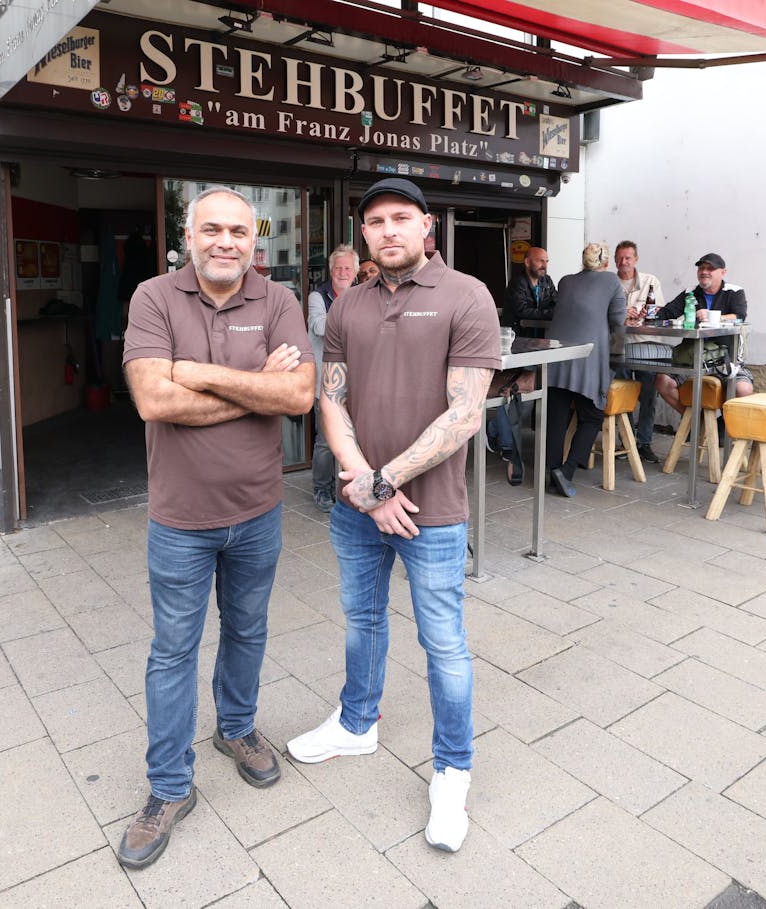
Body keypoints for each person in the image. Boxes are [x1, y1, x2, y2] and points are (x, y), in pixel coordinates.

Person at [287, 177, 499, 854]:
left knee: (444, 644)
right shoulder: (348, 304)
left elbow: (464, 412)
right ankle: (357, 724)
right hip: (360, 503)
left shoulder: (467, 296)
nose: (387, 229)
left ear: (426, 226)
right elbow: (332, 399)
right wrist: (363, 482)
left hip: (430, 510)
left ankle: (452, 770)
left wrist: (385, 480)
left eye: (400, 217)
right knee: (363, 621)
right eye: (375, 220)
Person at [118, 187, 315, 870]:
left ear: (254, 241)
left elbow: (296, 396)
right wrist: (252, 382)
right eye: (213, 229)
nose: (226, 241)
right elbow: (152, 398)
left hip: (258, 511)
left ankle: (236, 728)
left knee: (249, 629)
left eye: (239, 230)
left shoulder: (278, 301)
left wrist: (199, 375)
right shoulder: (153, 298)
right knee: (172, 650)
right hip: (180, 518)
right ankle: (169, 788)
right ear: (188, 235)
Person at [542, 242, 625, 497]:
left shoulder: (566, 281)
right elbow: (619, 324)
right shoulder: (612, 282)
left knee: (556, 417)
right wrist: (616, 361)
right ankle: (565, 472)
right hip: (587, 358)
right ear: (606, 263)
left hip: (555, 356)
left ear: (583, 261)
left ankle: (551, 472)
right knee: (592, 416)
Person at [654, 253, 753, 411]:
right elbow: (667, 312)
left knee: (743, 390)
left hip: (726, 358)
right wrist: (648, 313)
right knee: (662, 381)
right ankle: (696, 423)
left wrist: (714, 316)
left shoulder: (734, 291)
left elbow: (739, 316)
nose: (704, 271)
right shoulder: (690, 292)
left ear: (723, 272)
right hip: (693, 357)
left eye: (710, 268)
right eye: (701, 268)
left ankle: (722, 429)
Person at [308, 245, 359, 512]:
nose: (342, 272)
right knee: (326, 441)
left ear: (355, 272)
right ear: (331, 270)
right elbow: (319, 326)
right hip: (327, 382)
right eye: (338, 268)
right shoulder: (318, 296)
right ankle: (322, 489)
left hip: (359, 382)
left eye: (347, 268)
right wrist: (355, 321)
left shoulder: (365, 296)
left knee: (358, 437)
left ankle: (351, 486)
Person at [613, 241, 667, 463]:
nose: (623, 262)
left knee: (648, 396)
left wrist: (646, 312)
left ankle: (644, 443)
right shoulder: (609, 283)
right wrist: (622, 313)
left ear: (636, 259)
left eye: (628, 258)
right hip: (620, 345)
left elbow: (660, 311)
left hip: (646, 343)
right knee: (623, 394)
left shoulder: (650, 281)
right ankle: (625, 442)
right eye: (620, 258)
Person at [502, 246, 555, 336]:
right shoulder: (517, 282)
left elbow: (556, 301)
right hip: (519, 337)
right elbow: (522, 311)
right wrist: (551, 313)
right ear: (527, 262)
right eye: (540, 261)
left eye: (546, 262)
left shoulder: (546, 280)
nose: (545, 266)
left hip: (540, 337)